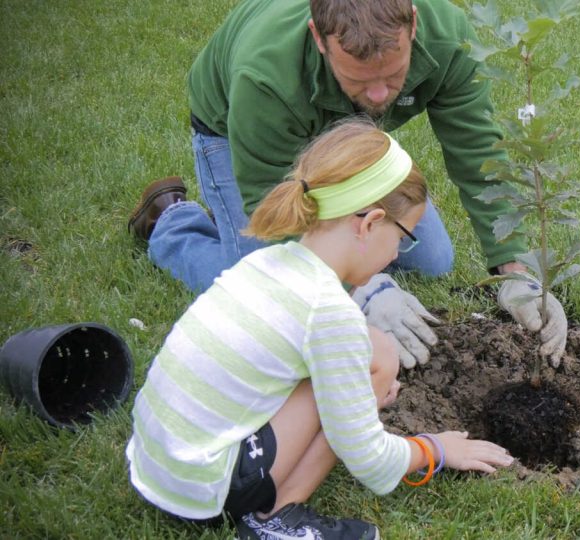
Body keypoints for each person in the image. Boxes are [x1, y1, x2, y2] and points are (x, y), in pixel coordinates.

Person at [126, 120, 514, 540]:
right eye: (402, 239)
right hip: (204, 493)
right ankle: (275, 518)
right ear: (370, 223)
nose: (396, 254)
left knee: (374, 351)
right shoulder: (329, 312)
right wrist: (436, 449)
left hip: (160, 467)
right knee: (374, 360)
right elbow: (370, 459)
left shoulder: (267, 263)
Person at [126, 0, 567, 369]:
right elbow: (273, 205)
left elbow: (477, 152)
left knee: (432, 260)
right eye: (359, 79)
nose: (379, 97)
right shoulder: (264, 76)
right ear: (319, 38)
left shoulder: (449, 38)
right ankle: (172, 224)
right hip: (240, 135)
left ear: (413, 25)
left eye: (392, 76)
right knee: (274, 300)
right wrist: (360, 290)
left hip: (349, 139)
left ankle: (226, 219)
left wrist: (515, 268)